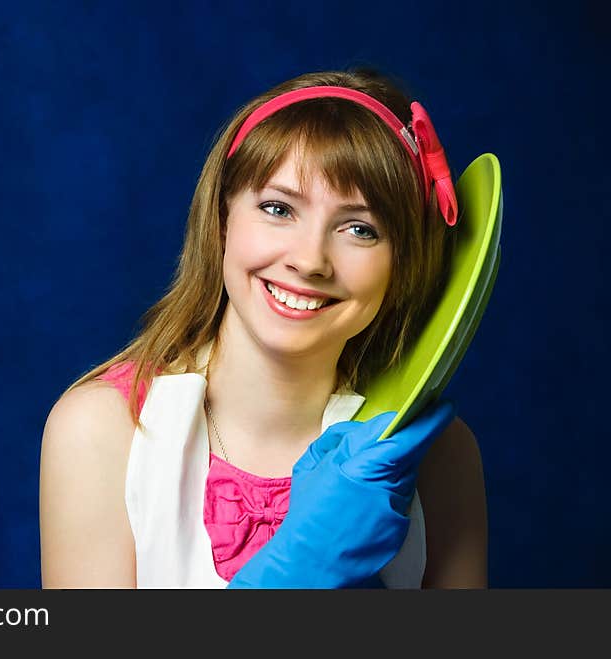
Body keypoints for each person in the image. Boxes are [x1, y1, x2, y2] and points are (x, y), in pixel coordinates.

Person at [39, 68, 488, 589]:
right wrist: (299, 571)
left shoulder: (438, 457)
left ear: (402, 261)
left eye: (359, 229)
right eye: (278, 209)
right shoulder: (101, 431)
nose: (310, 260)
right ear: (223, 216)